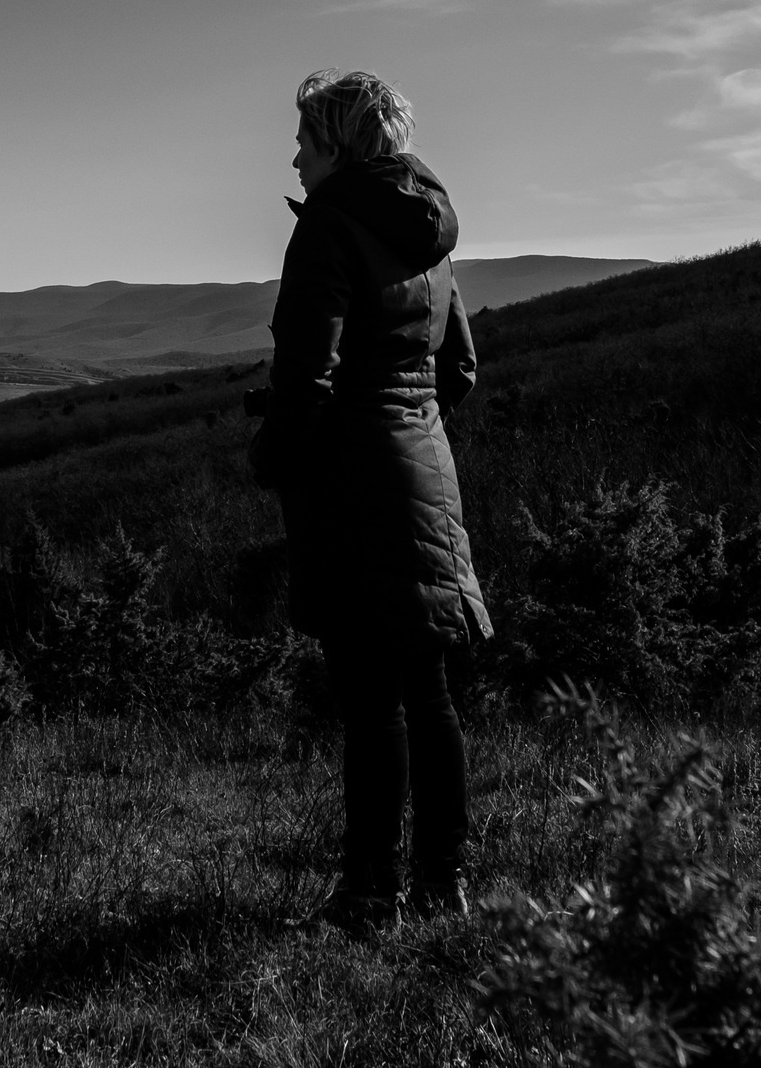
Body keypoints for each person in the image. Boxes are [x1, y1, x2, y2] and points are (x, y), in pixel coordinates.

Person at [249, 68, 490, 930]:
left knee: (369, 697)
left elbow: (307, 376)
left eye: (306, 139)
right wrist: (405, 416)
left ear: (338, 146)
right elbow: (457, 367)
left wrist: (271, 453)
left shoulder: (328, 227)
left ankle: (368, 894)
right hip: (425, 469)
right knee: (425, 689)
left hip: (354, 480)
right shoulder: (427, 234)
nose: (295, 156)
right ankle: (442, 881)